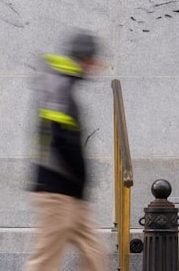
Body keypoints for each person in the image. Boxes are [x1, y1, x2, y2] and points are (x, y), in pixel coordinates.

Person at [24, 30, 106, 271]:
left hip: (70, 191)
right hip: (56, 190)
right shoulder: (59, 84)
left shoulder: (64, 83)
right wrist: (80, 176)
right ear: (85, 58)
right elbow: (61, 137)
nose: (96, 65)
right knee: (45, 261)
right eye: (93, 59)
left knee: (94, 253)